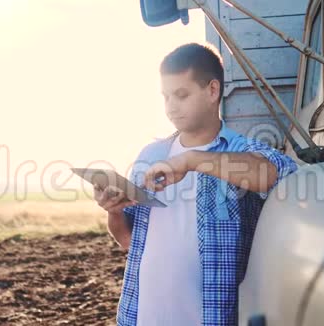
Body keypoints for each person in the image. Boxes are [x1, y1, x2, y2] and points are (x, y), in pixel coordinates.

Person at [94, 43, 298, 326]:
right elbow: (129, 240)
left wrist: (191, 160)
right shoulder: (150, 155)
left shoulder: (242, 150)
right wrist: (113, 211)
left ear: (213, 91)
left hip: (210, 318)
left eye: (181, 95)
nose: (170, 107)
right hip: (141, 316)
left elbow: (279, 174)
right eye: (166, 97)